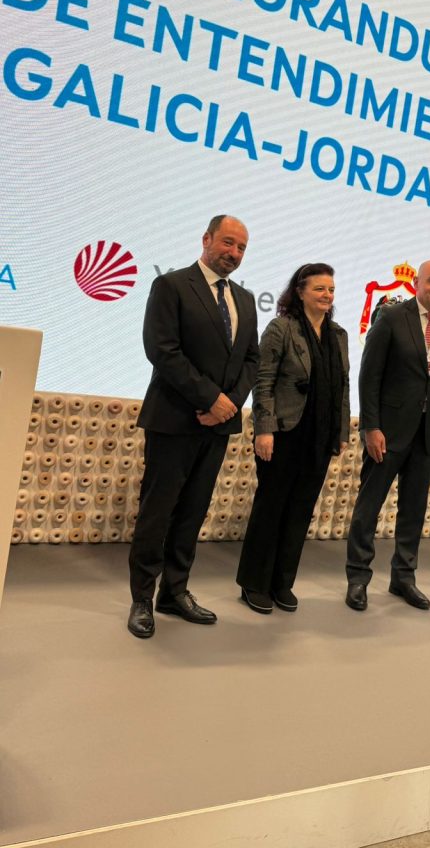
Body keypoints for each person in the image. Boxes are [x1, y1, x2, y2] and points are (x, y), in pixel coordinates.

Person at [127, 215, 260, 638]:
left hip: (217, 427)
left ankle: (174, 591)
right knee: (158, 513)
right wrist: (209, 399)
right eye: (227, 242)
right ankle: (142, 598)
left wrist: (229, 404)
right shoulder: (171, 286)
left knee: (192, 513)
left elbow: (252, 360)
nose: (233, 253)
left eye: (241, 247)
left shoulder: (245, 300)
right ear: (206, 239)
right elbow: (162, 350)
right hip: (173, 420)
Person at [345, 260, 430, 611]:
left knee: (413, 510)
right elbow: (369, 376)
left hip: (428, 437)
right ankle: (358, 578)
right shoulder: (391, 317)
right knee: (368, 508)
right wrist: (371, 427)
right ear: (416, 283)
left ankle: (403, 578)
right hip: (387, 433)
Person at [237, 263, 350, 614]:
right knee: (271, 509)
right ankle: (254, 584)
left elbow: (342, 386)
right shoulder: (281, 328)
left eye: (331, 290)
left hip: (319, 437)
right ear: (300, 292)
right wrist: (264, 429)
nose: (327, 295)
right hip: (284, 433)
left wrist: (341, 431)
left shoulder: (339, 335)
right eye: (319, 289)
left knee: (300, 511)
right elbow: (263, 381)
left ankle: (282, 583)